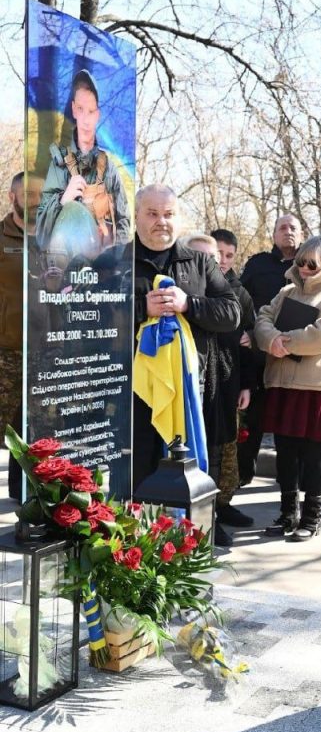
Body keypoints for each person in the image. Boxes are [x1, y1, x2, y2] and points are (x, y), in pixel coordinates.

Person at [132, 186, 239, 492]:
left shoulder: (200, 263)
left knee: (185, 477)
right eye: (152, 214)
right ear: (137, 215)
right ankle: (140, 537)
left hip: (190, 389)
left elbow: (231, 313)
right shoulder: (116, 261)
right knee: (140, 478)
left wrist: (188, 304)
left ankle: (182, 538)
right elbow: (95, 314)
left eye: (168, 214)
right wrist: (142, 308)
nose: (161, 221)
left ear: (178, 219)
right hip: (135, 393)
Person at [254, 235, 321, 541]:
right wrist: (272, 341)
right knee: (285, 452)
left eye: (312, 263)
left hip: (315, 386)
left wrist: (286, 341)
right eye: (301, 262)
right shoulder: (285, 291)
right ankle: (287, 513)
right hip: (282, 382)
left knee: (312, 454)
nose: (305, 268)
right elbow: (263, 318)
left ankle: (312, 517)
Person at [181, 233, 256, 544]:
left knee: (221, 451)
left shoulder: (236, 294)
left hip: (226, 383)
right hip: (194, 386)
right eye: (207, 257)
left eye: (220, 257)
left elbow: (247, 343)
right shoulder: (181, 292)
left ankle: (218, 509)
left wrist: (247, 384)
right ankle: (201, 518)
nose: (215, 263)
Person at [238, 213, 303, 484]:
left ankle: (290, 479)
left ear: (301, 234)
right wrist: (249, 334)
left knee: (291, 422)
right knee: (252, 419)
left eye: (293, 228)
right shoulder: (257, 264)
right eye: (282, 227)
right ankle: (243, 474)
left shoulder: (309, 266)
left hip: (296, 357)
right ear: (274, 234)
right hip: (258, 356)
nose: (288, 231)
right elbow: (241, 302)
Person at [36, 70, 131, 255]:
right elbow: (40, 231)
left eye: (91, 111)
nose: (86, 118)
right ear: (73, 109)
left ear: (98, 114)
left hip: (102, 270)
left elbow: (123, 220)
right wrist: (63, 200)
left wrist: (113, 264)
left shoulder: (108, 167)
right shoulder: (58, 164)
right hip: (65, 267)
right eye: (80, 109)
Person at [1, 172, 42, 500]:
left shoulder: (56, 240)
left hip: (46, 350)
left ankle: (23, 494)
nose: (35, 200)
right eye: (27, 193)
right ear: (12, 196)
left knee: (34, 430)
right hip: (6, 349)